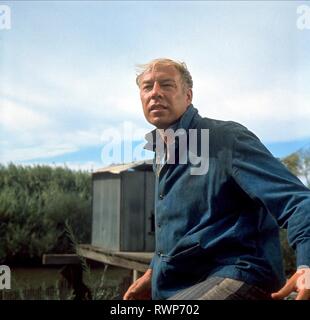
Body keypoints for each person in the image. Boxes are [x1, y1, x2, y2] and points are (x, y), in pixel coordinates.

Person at [123, 58, 310, 300]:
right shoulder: (162, 155)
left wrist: (307, 263)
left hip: (239, 273)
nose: (155, 93)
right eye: (147, 87)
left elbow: (298, 201)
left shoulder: (225, 139)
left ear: (188, 96)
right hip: (184, 284)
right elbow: (180, 229)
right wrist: (154, 271)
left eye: (166, 85)